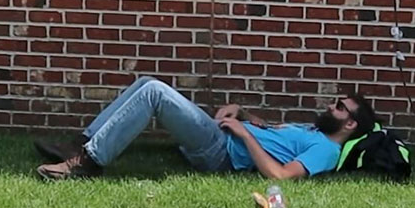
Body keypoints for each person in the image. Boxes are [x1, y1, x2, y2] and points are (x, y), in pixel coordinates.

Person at [34, 76, 377, 181]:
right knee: (145, 83)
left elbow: (281, 175)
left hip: (219, 152)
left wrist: (242, 134)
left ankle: (88, 163)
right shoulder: (314, 131)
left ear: (350, 123)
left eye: (340, 106)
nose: (332, 105)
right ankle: (82, 143)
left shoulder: (327, 150)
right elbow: (273, 135)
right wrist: (244, 114)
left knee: (155, 92)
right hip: (224, 135)